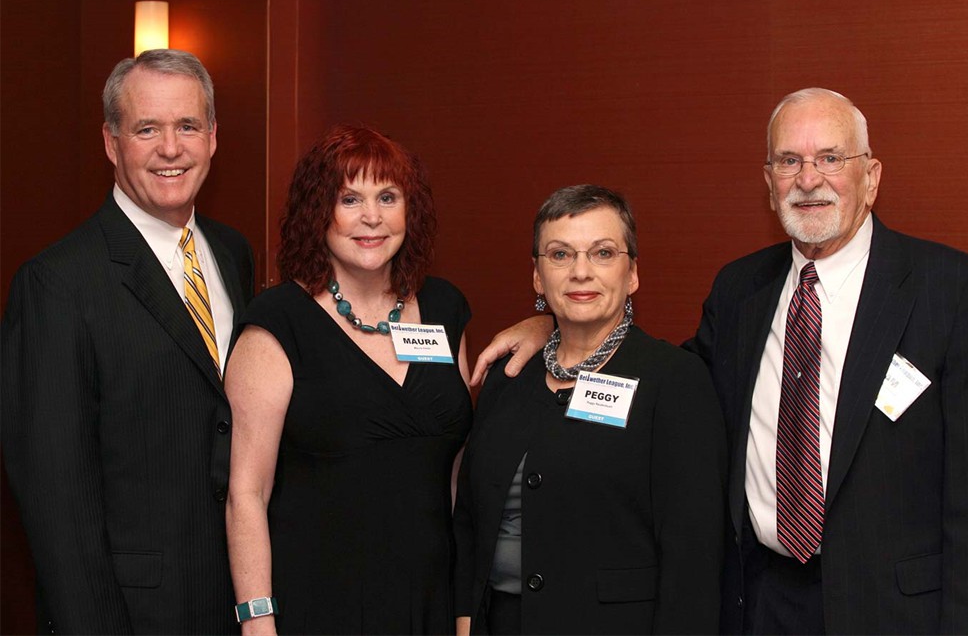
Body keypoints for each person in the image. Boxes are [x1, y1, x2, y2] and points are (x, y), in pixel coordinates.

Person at [470, 89, 968, 634]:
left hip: (896, 613)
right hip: (758, 603)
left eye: (830, 159)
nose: (808, 179)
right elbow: (659, 383)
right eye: (788, 161)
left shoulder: (951, 290)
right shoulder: (740, 290)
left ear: (872, 176)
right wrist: (553, 329)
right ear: (769, 183)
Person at [1, 49, 255, 634]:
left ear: (213, 137)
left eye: (188, 126)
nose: (172, 149)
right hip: (131, 613)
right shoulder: (56, 284)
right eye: (147, 129)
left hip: (235, 602)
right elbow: (55, 500)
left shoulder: (232, 252)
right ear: (112, 143)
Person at [225, 124, 473, 635]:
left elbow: (458, 471)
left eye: (387, 196)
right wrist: (257, 621)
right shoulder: (278, 322)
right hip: (320, 601)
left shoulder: (446, 308)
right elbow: (247, 492)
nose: (372, 217)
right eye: (349, 198)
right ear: (319, 213)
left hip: (433, 599)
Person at [454, 185, 726, 635]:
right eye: (560, 255)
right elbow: (470, 519)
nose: (581, 272)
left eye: (602, 253)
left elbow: (693, 557)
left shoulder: (674, 380)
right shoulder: (508, 377)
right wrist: (466, 618)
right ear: (538, 278)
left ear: (632, 272)